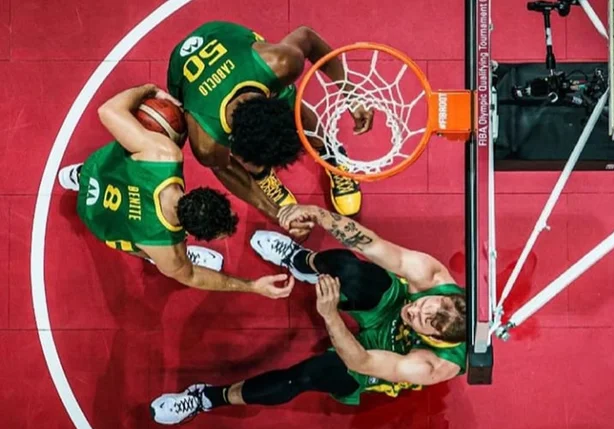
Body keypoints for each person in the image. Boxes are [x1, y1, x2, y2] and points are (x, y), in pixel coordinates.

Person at [150, 204, 466, 425]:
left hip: (383, 353)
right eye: (424, 304)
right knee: (349, 268)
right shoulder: (432, 277)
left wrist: (330, 316)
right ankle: (301, 261)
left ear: (434, 337)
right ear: (440, 296)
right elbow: (373, 246)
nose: (416, 309)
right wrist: (320, 215)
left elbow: (362, 362)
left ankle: (206, 398)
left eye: (419, 319)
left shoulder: (432, 366)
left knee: (302, 377)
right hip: (387, 303)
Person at [57, 83, 295, 299]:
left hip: (95, 169)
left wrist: (149, 90)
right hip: (95, 218)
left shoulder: (164, 155)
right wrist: (252, 286)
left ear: (203, 191)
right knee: (151, 253)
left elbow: (107, 111)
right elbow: (190, 275)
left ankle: (78, 176)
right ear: (188, 234)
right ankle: (150, 257)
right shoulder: (168, 249)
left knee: (135, 147)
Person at [167, 21, 374, 230]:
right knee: (249, 155)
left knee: (297, 113)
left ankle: (330, 154)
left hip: (223, 35)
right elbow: (225, 167)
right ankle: (262, 174)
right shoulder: (206, 142)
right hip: (180, 71)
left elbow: (308, 38)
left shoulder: (280, 62)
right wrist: (275, 213)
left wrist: (351, 95)